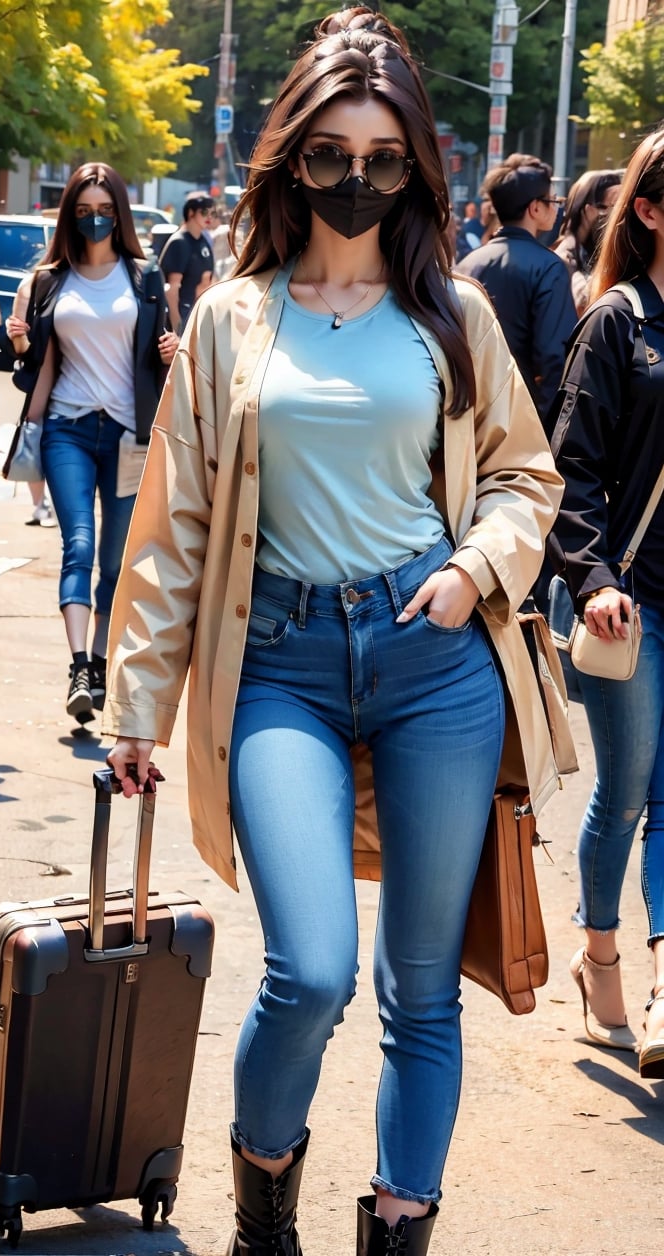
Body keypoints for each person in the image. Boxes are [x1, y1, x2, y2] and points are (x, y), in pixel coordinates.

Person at [103, 8, 562, 1252]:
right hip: (280, 667)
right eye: (329, 155)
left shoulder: (453, 315)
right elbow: (174, 527)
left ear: (415, 166)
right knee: (308, 969)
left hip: (436, 661)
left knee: (422, 991)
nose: (356, 181)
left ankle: (400, 1222)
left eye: (382, 158)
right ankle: (265, 1212)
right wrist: (135, 705)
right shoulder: (230, 320)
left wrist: (475, 570)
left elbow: (527, 478)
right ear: (289, 158)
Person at [547, 126, 664, 1076]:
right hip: (631, 604)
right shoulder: (617, 323)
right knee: (626, 794)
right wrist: (595, 580)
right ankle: (600, 957)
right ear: (653, 211)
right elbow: (568, 469)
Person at [6, 162, 178, 726]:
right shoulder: (53, 280)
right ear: (70, 215)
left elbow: (163, 355)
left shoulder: (144, 277)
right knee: (77, 542)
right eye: (84, 211)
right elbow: (33, 370)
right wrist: (22, 346)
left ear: (120, 214)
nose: (96, 220)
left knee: (116, 560)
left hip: (130, 436)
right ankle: (80, 665)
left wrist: (172, 352)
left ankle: (101, 662)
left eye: (105, 211)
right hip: (68, 428)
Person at [456, 153, 577, 424]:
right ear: (535, 208)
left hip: (463, 411)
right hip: (520, 416)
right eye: (553, 201)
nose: (557, 208)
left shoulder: (466, 264)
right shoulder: (548, 267)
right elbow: (555, 359)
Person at [553, 169, 622, 315]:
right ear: (589, 210)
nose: (618, 217)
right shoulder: (566, 256)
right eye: (612, 207)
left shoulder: (604, 249)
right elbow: (584, 303)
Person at [158, 192, 217, 332]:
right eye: (204, 212)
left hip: (197, 313)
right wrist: (177, 325)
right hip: (183, 314)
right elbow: (171, 288)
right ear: (191, 213)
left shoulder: (202, 241)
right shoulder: (180, 242)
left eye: (213, 214)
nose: (209, 217)